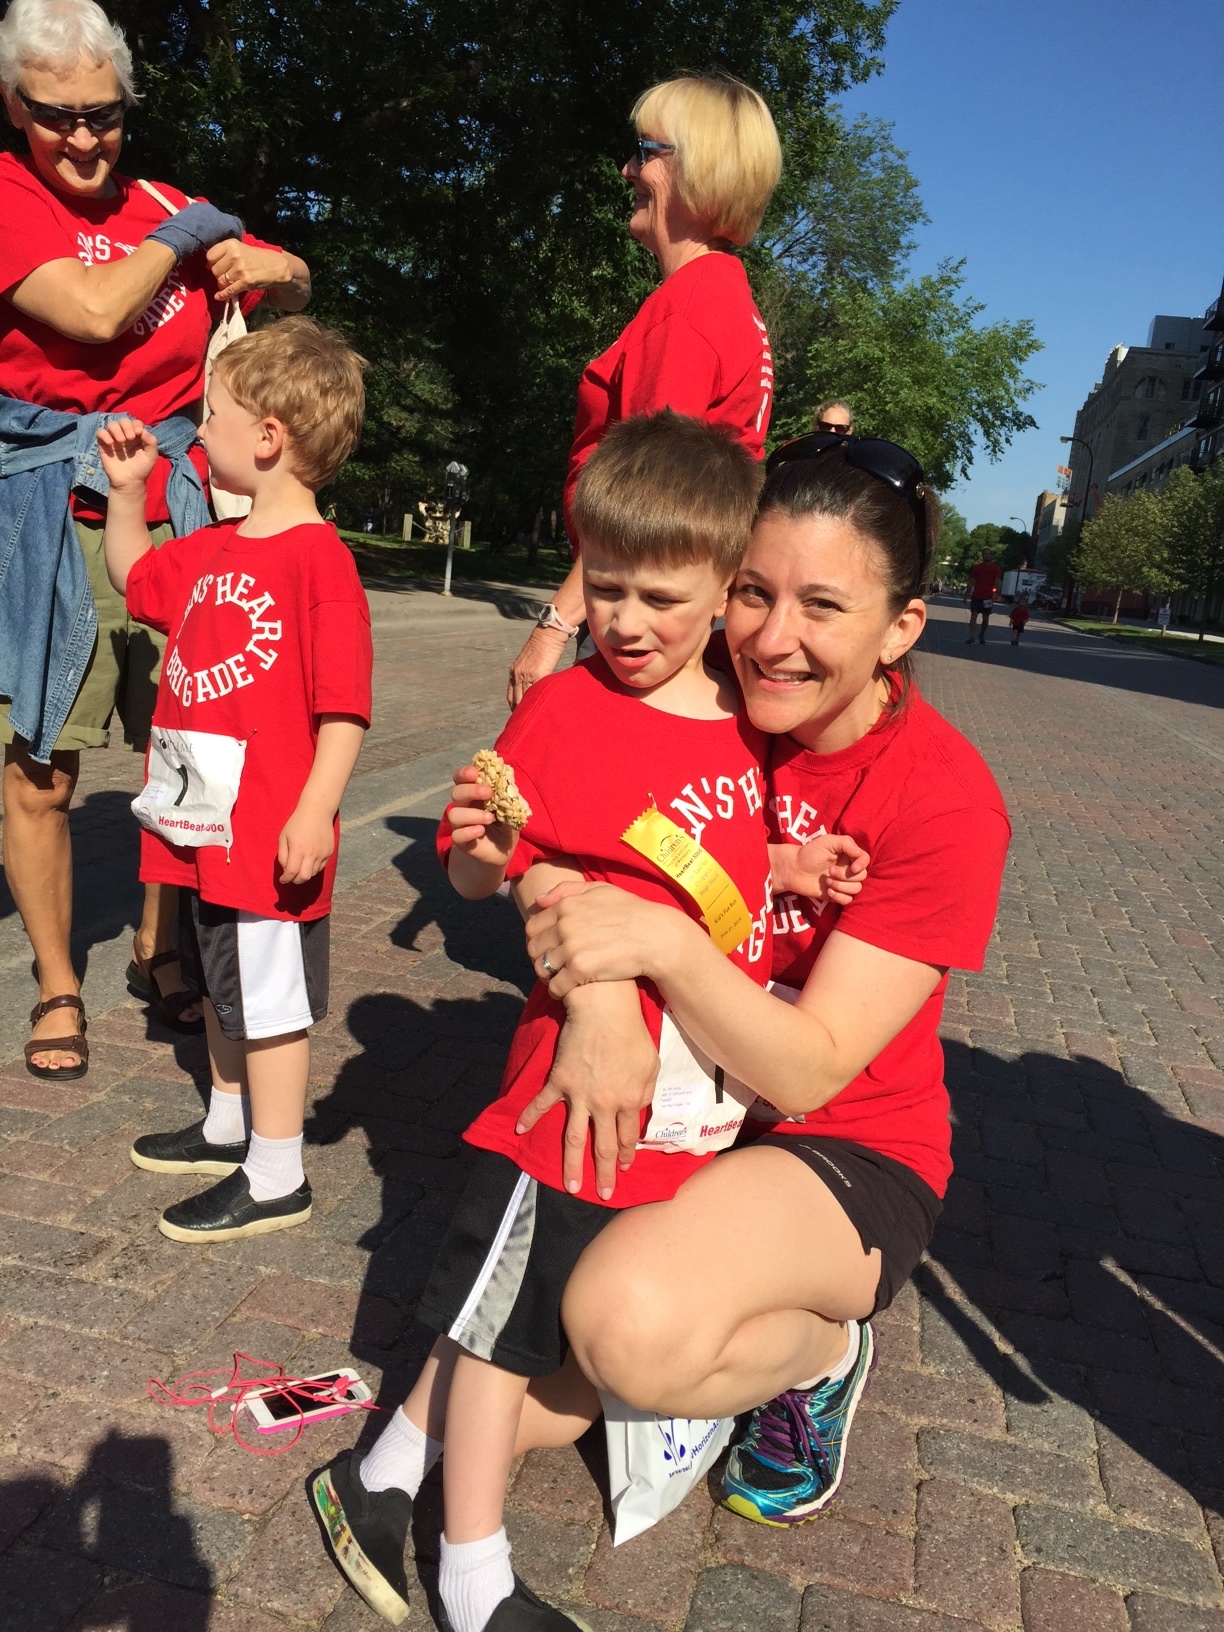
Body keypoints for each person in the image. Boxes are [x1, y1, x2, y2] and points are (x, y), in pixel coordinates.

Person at [310, 414, 866, 1631]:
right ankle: (474, 1575)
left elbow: (693, 869)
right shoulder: (560, 716)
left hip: (679, 1097)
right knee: (505, 1327)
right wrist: (481, 848)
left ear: (727, 590)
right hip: (567, 1089)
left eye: (660, 596)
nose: (623, 621)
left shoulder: (737, 719)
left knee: (533, 1301)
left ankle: (384, 1471)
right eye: (601, 586)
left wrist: (784, 867)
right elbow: (481, 871)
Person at [514, 432, 1011, 1528]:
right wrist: (598, 996)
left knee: (624, 1329)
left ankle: (823, 1353)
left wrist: (660, 945)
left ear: (901, 630)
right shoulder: (693, 699)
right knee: (485, 1384)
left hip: (838, 1136)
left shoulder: (943, 802)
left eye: (824, 608)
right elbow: (538, 843)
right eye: (752, 593)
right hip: (690, 1096)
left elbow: (812, 1063)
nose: (773, 642)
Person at [0, 0, 311, 1076]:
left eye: (105, 115)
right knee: (43, 763)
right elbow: (89, 312)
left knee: (190, 742)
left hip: (178, 497)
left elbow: (280, 271)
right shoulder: (8, 196)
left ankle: (157, 945)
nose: (83, 139)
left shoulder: (171, 199)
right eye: (57, 116)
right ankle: (54, 983)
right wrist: (186, 236)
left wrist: (276, 268)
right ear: (13, 106)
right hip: (50, 507)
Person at [96, 317, 372, 1242]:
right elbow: (134, 577)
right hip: (196, 811)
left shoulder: (319, 562)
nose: (195, 431)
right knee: (221, 978)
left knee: (267, 992)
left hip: (265, 829)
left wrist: (315, 812)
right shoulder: (216, 547)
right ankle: (226, 1123)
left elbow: (344, 707)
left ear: (268, 438)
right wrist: (129, 495)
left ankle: (276, 1172)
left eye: (209, 415)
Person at [506, 73, 781, 706]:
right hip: (667, 603)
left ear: (703, 168)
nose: (627, 169)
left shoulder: (688, 309)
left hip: (634, 610)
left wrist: (555, 626)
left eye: (647, 151)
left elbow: (644, 501)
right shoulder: (725, 296)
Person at [964, 549, 1001, 644]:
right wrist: (966, 595)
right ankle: (972, 636)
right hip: (977, 595)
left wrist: (999, 593)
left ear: (991, 555)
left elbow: (997, 581)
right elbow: (971, 581)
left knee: (986, 618)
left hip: (988, 597)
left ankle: (982, 634)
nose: (987, 555)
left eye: (989, 554)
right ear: (982, 555)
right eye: (985, 554)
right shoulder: (977, 568)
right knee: (973, 615)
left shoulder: (995, 568)